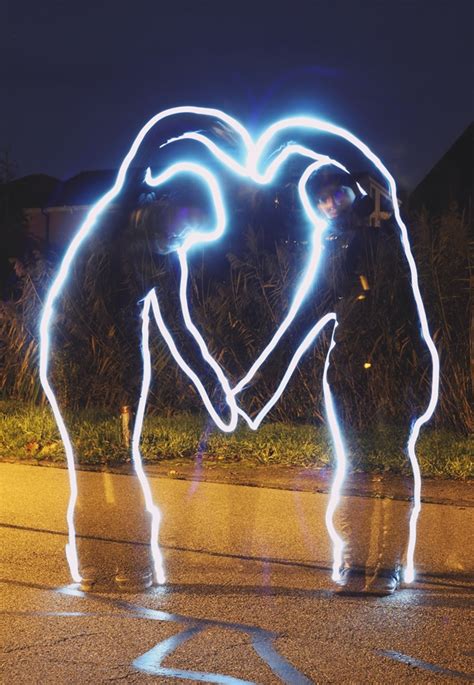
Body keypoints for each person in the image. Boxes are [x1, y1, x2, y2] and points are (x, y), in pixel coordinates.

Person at [311, 168, 416, 596]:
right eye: (321, 198)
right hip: (348, 356)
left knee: (388, 459)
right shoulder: (328, 242)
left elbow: (398, 295)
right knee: (352, 463)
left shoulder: (380, 234)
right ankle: (355, 561)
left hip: (387, 357)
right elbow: (320, 298)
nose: (330, 203)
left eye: (335, 193)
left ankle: (387, 563)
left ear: (351, 192)